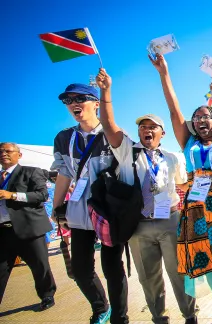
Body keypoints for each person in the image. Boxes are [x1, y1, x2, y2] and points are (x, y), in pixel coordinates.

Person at [150, 54, 212, 324]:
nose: (201, 121)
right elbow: (173, 111)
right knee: (208, 260)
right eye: (197, 118)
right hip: (196, 211)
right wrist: (164, 73)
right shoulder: (189, 143)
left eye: (206, 116)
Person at [95, 68, 198, 324]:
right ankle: (159, 317)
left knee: (180, 273)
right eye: (143, 127)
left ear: (162, 133)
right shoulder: (127, 151)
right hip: (138, 226)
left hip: (170, 222)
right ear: (139, 133)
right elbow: (108, 125)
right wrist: (105, 91)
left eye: (153, 127)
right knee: (149, 278)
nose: (147, 130)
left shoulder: (174, 157)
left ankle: (190, 316)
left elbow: (181, 185)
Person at [51, 83, 123, 324]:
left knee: (112, 269)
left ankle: (120, 317)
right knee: (80, 270)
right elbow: (64, 173)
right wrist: (57, 205)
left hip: (107, 210)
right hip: (79, 211)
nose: (73, 103)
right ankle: (101, 307)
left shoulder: (112, 133)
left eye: (80, 98)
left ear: (96, 103)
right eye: (68, 100)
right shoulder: (63, 138)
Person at [0, 142, 56, 311]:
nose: (4, 154)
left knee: (40, 266)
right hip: (3, 231)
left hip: (29, 230)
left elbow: (42, 195)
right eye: (0, 151)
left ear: (19, 155)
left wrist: (13, 195)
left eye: (8, 151)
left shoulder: (31, 172)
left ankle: (47, 295)